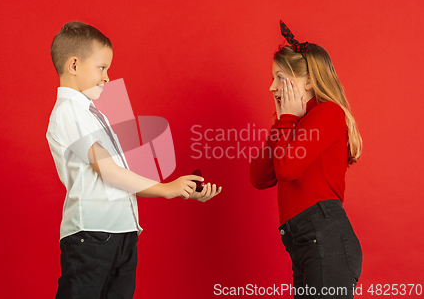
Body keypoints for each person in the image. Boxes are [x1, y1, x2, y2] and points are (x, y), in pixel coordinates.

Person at [47, 21, 222, 299]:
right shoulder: (70, 110)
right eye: (101, 67)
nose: (107, 77)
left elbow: (122, 175)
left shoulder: (95, 113)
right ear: (74, 65)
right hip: (92, 235)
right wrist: (167, 189)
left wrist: (179, 189)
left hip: (121, 232)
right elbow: (108, 171)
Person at [250, 21, 363, 298]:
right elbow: (260, 176)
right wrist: (282, 119)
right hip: (304, 243)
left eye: (279, 77)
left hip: (325, 238)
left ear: (309, 81)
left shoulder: (327, 114)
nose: (271, 87)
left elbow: (287, 170)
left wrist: (287, 119)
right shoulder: (293, 124)